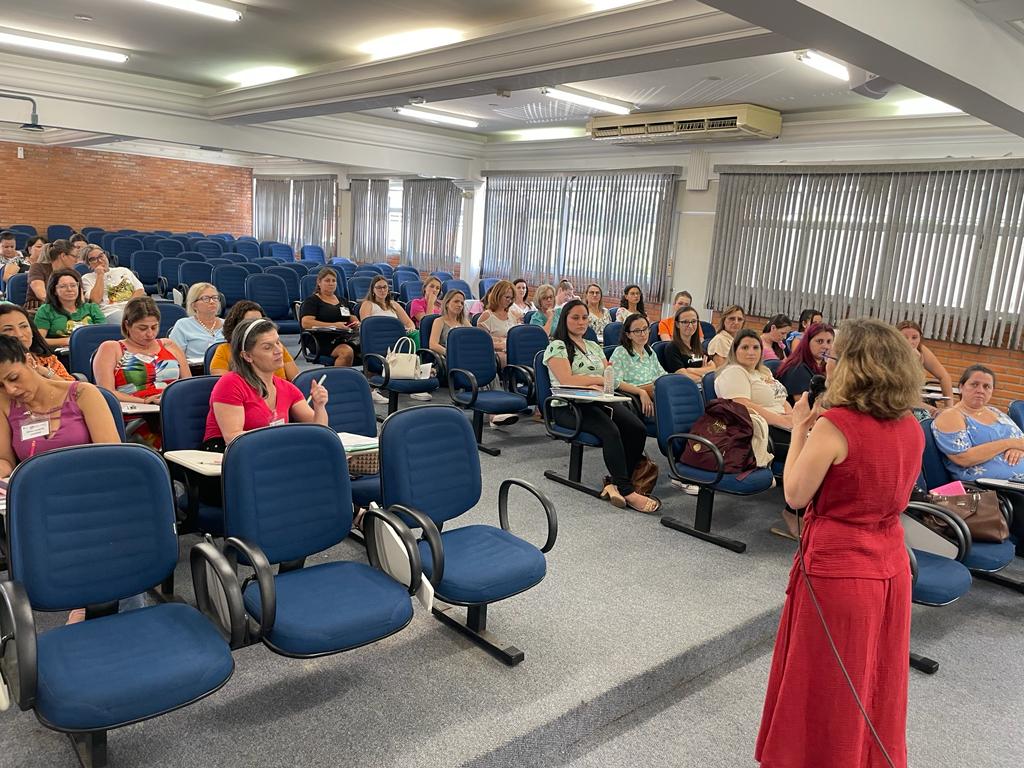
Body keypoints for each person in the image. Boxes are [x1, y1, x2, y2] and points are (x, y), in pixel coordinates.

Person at [756, 318, 924, 768]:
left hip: (840, 570)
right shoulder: (912, 425)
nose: (827, 362)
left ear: (852, 364)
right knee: (874, 678)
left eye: (833, 355)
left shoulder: (835, 425)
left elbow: (793, 494)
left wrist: (798, 429)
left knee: (827, 682)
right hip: (889, 567)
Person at [543, 299, 658, 513]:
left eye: (584, 318)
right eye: (575, 318)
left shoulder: (594, 346)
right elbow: (566, 379)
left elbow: (610, 376)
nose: (581, 322)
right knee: (611, 431)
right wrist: (596, 379)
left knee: (637, 429)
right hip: (569, 407)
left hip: (599, 402)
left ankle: (614, 482)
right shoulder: (557, 346)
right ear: (564, 320)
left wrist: (601, 379)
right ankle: (627, 490)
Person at [204, 317, 329, 447]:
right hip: (225, 456)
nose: (278, 351)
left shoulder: (286, 387)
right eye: (267, 347)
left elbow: (319, 431)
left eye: (278, 343)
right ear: (247, 356)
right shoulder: (230, 384)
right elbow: (233, 438)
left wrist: (319, 406)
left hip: (270, 452)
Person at [932, 364, 1024, 485]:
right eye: (974, 384)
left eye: (987, 387)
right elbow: (963, 458)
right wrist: (1009, 443)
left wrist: (1019, 450)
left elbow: (1021, 441)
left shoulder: (994, 411)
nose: (980, 390)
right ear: (961, 387)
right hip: (992, 490)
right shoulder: (951, 416)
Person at [93, 296, 191, 405]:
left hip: (172, 407)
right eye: (142, 328)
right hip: (135, 411)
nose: (150, 334)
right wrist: (145, 401)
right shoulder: (111, 348)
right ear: (127, 325)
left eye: (154, 327)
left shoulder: (169, 345)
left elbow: (187, 385)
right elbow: (107, 393)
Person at [210, 301, 299, 381]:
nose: (256, 326)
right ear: (237, 326)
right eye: (250, 322)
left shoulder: (277, 346)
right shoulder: (224, 350)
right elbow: (224, 384)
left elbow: (296, 379)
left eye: (259, 321)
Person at [297, 268, 357, 367]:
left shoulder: (342, 300)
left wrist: (356, 323)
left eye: (334, 281)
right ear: (319, 282)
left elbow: (352, 317)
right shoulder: (312, 301)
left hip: (344, 337)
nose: (331, 283)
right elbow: (306, 322)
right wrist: (334, 325)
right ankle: (338, 381)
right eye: (327, 280)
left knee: (367, 347)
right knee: (346, 352)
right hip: (321, 339)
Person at [610, 312, 665, 418]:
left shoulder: (650, 352)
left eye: (645, 329)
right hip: (635, 396)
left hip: (654, 393)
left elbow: (662, 375)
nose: (643, 334)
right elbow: (614, 381)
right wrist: (641, 392)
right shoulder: (621, 352)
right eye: (637, 331)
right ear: (628, 334)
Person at [33, 269, 106, 347]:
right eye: (63, 286)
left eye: (73, 285)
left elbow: (103, 334)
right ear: (54, 291)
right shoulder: (46, 310)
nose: (69, 289)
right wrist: (69, 340)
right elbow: (40, 340)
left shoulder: (92, 308)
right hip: (61, 354)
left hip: (92, 348)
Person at [0, 304, 73, 381]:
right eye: (8, 329)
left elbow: (74, 390)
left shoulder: (47, 360)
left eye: (24, 326)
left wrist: (44, 372)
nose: (19, 334)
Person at [80, 245, 145, 323]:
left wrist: (129, 306)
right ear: (88, 264)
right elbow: (95, 300)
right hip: (110, 311)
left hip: (132, 308)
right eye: (93, 259)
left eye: (101, 256)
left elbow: (140, 290)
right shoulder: (87, 278)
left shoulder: (123, 270)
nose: (100, 261)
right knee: (130, 323)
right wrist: (100, 275)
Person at [897, 321, 953, 405]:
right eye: (904, 338)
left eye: (914, 337)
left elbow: (944, 376)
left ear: (920, 338)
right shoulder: (889, 352)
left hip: (914, 400)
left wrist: (949, 407)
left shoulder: (921, 351)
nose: (910, 342)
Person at [775, 322, 834, 402]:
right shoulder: (797, 369)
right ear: (807, 342)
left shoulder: (825, 367)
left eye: (829, 342)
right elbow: (805, 407)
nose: (826, 346)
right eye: (820, 341)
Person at [169, 282, 226, 360]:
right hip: (196, 370)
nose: (212, 302)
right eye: (206, 298)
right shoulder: (183, 325)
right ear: (194, 305)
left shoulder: (228, 324)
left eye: (215, 298)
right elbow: (175, 357)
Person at [663, 306, 716, 383]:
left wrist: (691, 370)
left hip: (701, 387)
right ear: (677, 324)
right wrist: (704, 373)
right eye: (685, 322)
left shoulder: (697, 346)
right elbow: (683, 375)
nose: (690, 326)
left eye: (694, 321)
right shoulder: (672, 348)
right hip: (685, 388)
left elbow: (713, 368)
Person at [25, 239, 78, 314]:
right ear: (63, 256)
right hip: (39, 308)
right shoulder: (38, 267)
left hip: (68, 309)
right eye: (74, 256)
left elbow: (80, 298)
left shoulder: (74, 273)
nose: (76, 260)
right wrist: (62, 306)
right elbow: (41, 294)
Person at [476, 279, 518, 368]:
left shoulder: (512, 314)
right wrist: (502, 344)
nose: (509, 301)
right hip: (495, 353)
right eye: (507, 297)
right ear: (498, 296)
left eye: (511, 298)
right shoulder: (487, 316)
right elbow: (481, 342)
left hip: (510, 349)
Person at [428, 289, 471, 368]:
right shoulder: (439, 321)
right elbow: (433, 345)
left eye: (462, 303)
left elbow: (472, 339)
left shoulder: (464, 322)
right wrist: (452, 353)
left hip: (465, 356)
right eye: (456, 301)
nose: (460, 305)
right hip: (447, 359)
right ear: (447, 303)